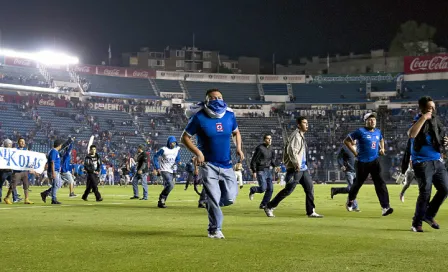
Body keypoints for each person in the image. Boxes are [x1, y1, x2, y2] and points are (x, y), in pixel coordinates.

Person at [182, 89, 244, 239]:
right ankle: (214, 229)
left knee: (230, 197)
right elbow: (184, 138)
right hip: (208, 165)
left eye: (220, 97)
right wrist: (198, 153)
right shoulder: (199, 117)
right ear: (207, 100)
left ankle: (212, 205)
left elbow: (236, 132)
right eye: (213, 97)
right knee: (213, 197)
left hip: (227, 164)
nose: (217, 100)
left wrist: (239, 148)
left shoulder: (229, 116)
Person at [264, 117, 323, 218]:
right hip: (296, 168)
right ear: (299, 125)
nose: (307, 124)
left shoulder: (300, 135)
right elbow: (292, 151)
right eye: (304, 123)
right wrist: (296, 163)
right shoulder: (296, 136)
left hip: (303, 168)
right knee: (288, 190)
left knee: (310, 188)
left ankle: (311, 211)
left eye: (307, 123)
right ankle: (269, 206)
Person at [407, 96, 448, 232]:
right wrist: (424, 117)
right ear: (422, 109)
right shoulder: (418, 120)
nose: (432, 110)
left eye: (433, 107)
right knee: (425, 193)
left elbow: (440, 139)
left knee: (445, 189)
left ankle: (428, 215)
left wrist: (445, 141)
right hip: (422, 162)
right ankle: (416, 223)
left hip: (437, 160)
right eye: (429, 108)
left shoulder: (436, 122)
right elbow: (411, 134)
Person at [344, 112, 393, 216]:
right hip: (362, 162)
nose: (372, 121)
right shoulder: (360, 131)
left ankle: (385, 207)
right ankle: (350, 200)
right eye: (370, 120)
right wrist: (355, 153)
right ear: (365, 121)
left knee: (380, 183)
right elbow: (347, 141)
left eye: (374, 120)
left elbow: (381, 139)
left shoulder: (378, 132)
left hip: (375, 161)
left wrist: (382, 148)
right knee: (357, 184)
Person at [249, 134, 276, 209]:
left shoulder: (271, 148)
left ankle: (264, 204)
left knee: (270, 189)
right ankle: (253, 189)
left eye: (270, 138)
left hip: (268, 170)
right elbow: (253, 160)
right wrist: (254, 171)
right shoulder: (260, 148)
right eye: (268, 139)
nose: (270, 140)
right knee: (263, 188)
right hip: (260, 170)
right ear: (264, 140)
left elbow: (272, 160)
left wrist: (275, 166)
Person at [4, 138, 34, 204]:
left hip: (24, 171)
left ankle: (26, 199)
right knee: (13, 185)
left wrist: (31, 168)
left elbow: (29, 161)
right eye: (21, 141)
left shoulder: (26, 151)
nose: (23, 143)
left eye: (24, 142)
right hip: (17, 171)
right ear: (18, 143)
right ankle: (7, 197)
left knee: (26, 185)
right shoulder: (15, 150)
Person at [153, 136, 181, 208]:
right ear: (169, 142)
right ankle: (161, 198)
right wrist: (157, 167)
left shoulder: (176, 150)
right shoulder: (163, 149)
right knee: (171, 185)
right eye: (172, 142)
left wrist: (177, 162)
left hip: (172, 171)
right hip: (164, 170)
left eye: (174, 142)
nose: (173, 144)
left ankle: (162, 202)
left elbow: (177, 159)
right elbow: (155, 157)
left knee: (168, 186)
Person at [330, 144, 360, 211]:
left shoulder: (358, 147)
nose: (354, 140)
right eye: (353, 139)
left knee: (350, 189)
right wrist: (342, 165)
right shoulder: (345, 148)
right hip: (348, 170)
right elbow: (339, 157)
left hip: (356, 171)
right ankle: (354, 206)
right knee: (353, 189)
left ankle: (335, 190)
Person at [40, 139, 64, 204]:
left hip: (56, 171)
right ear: (59, 145)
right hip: (54, 171)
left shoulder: (55, 151)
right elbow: (52, 162)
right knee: (56, 185)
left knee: (58, 184)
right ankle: (53, 199)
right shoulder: (54, 151)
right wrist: (53, 172)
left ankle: (45, 193)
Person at [1, 139, 20, 203]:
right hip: (3, 171)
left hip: (10, 171)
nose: (11, 144)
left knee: (13, 184)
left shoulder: (12, 151)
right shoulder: (2, 151)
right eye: (10, 143)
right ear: (6, 144)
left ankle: (15, 198)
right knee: (0, 185)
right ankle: (14, 197)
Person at [398, 138, 416, 203]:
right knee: (407, 184)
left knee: (423, 184)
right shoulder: (412, 153)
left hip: (418, 171)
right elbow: (411, 163)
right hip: (411, 171)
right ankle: (401, 194)